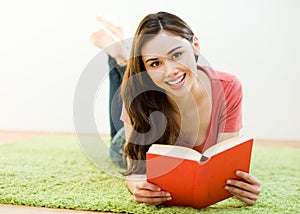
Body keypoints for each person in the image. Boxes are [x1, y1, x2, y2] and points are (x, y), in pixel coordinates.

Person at [92, 11, 260, 207]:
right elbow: (136, 172)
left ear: (195, 45)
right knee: (127, 86)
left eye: (177, 55)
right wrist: (139, 186)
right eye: (155, 63)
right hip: (129, 137)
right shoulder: (139, 94)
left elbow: (224, 168)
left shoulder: (227, 87)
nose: (170, 70)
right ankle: (120, 55)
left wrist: (241, 187)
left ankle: (124, 52)